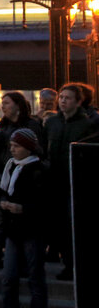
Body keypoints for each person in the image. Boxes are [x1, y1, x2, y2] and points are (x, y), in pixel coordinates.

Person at [0, 129, 49, 308]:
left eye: (16, 146)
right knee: (8, 279)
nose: (12, 149)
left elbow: (44, 202)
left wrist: (22, 208)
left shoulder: (39, 169)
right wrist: (4, 203)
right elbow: (4, 191)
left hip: (32, 231)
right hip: (13, 231)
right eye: (11, 145)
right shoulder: (11, 166)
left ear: (27, 147)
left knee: (35, 280)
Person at [44, 83, 91, 281]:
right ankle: (65, 262)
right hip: (54, 179)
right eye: (61, 97)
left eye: (68, 98)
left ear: (78, 102)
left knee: (74, 225)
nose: (63, 101)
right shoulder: (52, 122)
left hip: (75, 179)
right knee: (59, 225)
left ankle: (75, 266)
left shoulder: (87, 124)